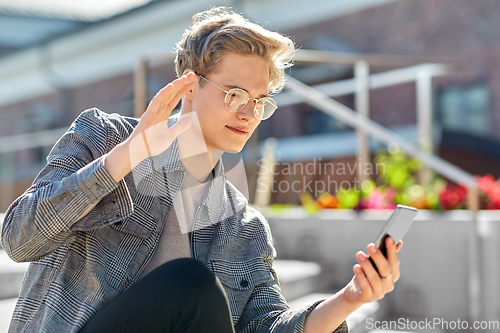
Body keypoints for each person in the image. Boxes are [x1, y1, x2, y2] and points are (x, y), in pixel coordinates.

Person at [1, 7, 402, 333]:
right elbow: (19, 238)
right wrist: (129, 155)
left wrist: (350, 298)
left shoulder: (241, 224)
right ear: (189, 86)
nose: (249, 113)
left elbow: (268, 327)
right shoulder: (104, 139)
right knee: (189, 285)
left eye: (259, 101)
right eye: (235, 95)